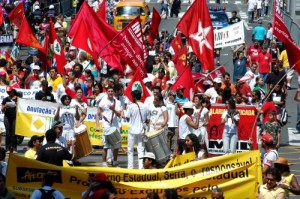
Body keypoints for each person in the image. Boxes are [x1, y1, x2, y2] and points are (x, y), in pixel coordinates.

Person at [96, 86, 122, 167]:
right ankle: (104, 162)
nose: (110, 93)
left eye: (112, 91)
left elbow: (119, 114)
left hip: (115, 125)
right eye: (109, 91)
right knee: (105, 145)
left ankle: (114, 160)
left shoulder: (117, 102)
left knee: (116, 145)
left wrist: (113, 109)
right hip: (106, 125)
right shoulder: (103, 101)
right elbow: (98, 113)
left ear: (114, 92)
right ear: (107, 92)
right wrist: (97, 124)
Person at [125, 90, 148, 169]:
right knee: (141, 149)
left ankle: (130, 167)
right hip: (141, 130)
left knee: (130, 150)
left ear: (134, 97)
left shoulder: (131, 106)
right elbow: (146, 119)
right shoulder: (145, 106)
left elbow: (127, 117)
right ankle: (141, 167)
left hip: (132, 130)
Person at [1, 86, 18, 153]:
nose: (9, 93)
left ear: (13, 91)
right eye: (7, 92)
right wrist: (5, 106)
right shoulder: (5, 99)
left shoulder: (17, 99)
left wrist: (16, 104)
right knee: (8, 133)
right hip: (7, 118)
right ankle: (7, 148)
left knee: (14, 133)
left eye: (10, 92)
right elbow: (2, 110)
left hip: (14, 118)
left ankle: (14, 148)